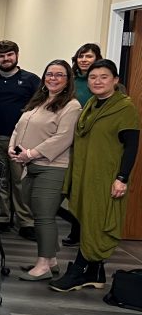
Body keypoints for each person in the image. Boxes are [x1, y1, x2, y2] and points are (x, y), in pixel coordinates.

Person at [51, 60, 139, 293]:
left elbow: (131, 146)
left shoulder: (124, 108)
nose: (97, 81)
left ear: (115, 80)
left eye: (104, 77)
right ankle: (95, 272)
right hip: (85, 174)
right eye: (93, 77)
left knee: (97, 223)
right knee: (86, 220)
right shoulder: (91, 104)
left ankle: (79, 270)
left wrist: (122, 177)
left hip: (106, 177)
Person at [8, 60, 81, 281]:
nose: (53, 78)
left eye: (60, 75)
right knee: (39, 213)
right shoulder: (39, 101)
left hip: (53, 167)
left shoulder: (72, 105)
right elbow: (18, 127)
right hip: (30, 165)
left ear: (68, 80)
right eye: (49, 74)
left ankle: (43, 265)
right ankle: (51, 259)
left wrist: (30, 154)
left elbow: (63, 138)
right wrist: (12, 147)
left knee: (44, 217)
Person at [0, 40, 40, 240]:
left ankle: (26, 222)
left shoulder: (31, 80)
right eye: (1, 56)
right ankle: (3, 218)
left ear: (16, 55)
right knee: (0, 181)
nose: (5, 59)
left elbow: (40, 107)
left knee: (20, 181)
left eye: (9, 55)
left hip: (21, 140)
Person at [63, 43, 102, 246]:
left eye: (88, 56)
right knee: (72, 187)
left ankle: (87, 231)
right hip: (70, 138)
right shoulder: (71, 81)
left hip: (94, 140)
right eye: (81, 56)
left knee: (88, 186)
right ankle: (75, 229)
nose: (84, 60)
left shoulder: (99, 82)